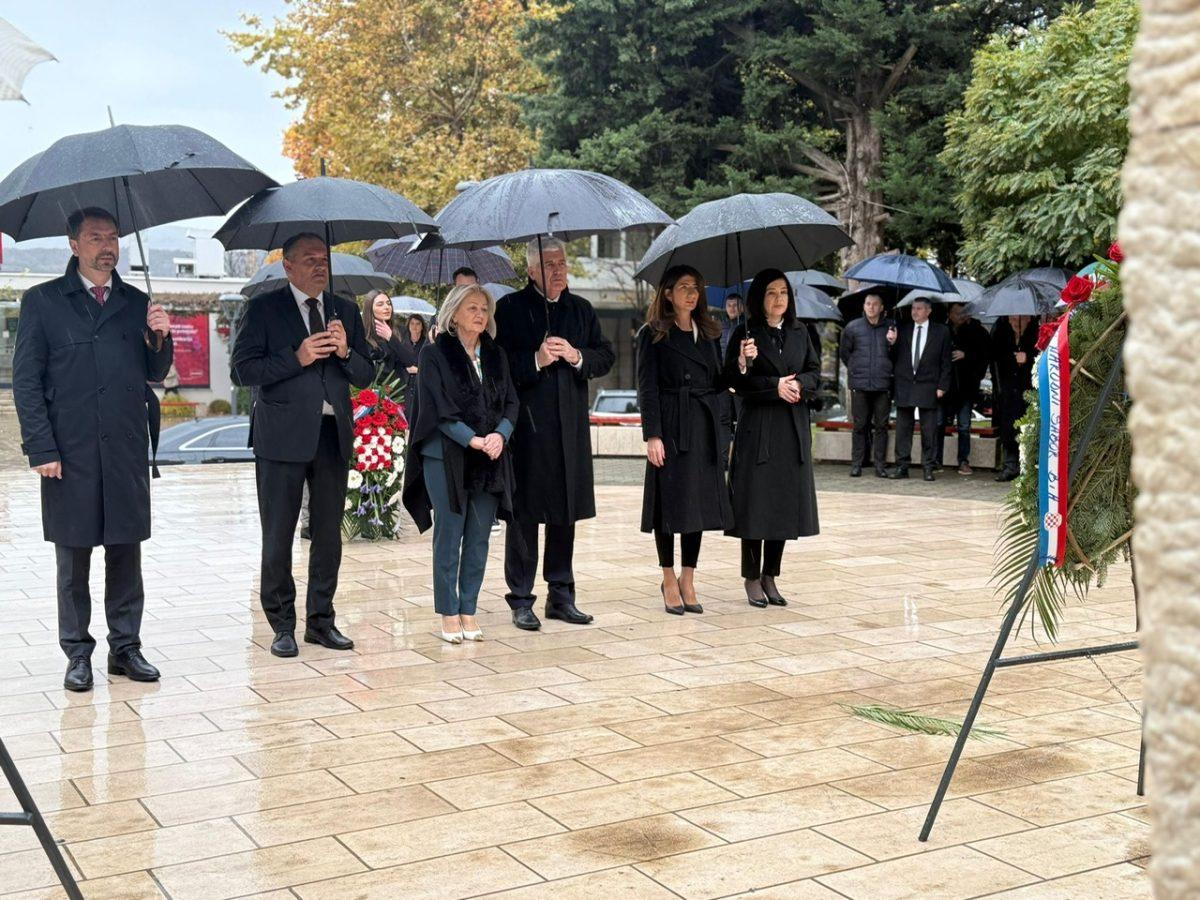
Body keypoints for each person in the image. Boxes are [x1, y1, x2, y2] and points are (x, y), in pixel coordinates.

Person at [12, 207, 173, 692]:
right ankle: (77, 653)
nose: (108, 246)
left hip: (125, 447)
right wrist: (41, 447)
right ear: (73, 244)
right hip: (71, 450)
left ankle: (126, 648)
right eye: (96, 237)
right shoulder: (42, 302)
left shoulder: (136, 301)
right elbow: (26, 381)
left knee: (126, 553)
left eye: (114, 237)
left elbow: (155, 372)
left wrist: (160, 338)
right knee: (74, 556)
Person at [230, 232, 373, 658]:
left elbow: (365, 375)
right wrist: (299, 356)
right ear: (287, 266)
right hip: (280, 438)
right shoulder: (263, 309)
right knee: (279, 535)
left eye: (323, 258)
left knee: (328, 535)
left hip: (332, 435)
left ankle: (321, 621)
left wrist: (346, 352)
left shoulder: (344, 310)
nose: (319, 265)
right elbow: (242, 370)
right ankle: (281, 625)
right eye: (309, 259)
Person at [494, 237, 615, 631]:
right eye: (549, 264)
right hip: (528, 430)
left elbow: (604, 356)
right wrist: (537, 359)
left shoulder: (580, 310)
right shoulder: (510, 309)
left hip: (571, 428)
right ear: (531, 270)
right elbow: (499, 367)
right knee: (525, 516)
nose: (559, 270)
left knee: (566, 512)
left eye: (562, 263)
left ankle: (561, 595)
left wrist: (577, 356)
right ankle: (521, 598)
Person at [403, 284, 518, 642]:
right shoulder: (434, 354)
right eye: (472, 308)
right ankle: (448, 613)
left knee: (480, 537)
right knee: (449, 535)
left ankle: (469, 609)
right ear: (454, 314)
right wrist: (473, 438)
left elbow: (512, 402)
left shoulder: (497, 354)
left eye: (485, 309)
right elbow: (435, 406)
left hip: (490, 456)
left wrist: (500, 434)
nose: (481, 314)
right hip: (447, 454)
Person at [636, 265, 733, 615]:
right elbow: (646, 389)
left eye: (696, 286)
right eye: (684, 287)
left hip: (703, 426)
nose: (691, 293)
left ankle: (688, 577)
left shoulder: (709, 332)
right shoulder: (653, 334)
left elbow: (720, 381)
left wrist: (742, 361)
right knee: (669, 505)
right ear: (667, 292)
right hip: (671, 427)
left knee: (697, 506)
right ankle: (667, 576)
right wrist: (653, 435)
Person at [723, 268, 820, 609]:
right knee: (755, 503)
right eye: (771, 293)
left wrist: (798, 385)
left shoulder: (800, 331)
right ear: (759, 299)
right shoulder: (744, 334)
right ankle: (751, 576)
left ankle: (771, 575)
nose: (779, 299)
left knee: (781, 502)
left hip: (791, 426)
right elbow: (732, 381)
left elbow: (813, 371)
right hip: (758, 428)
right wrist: (747, 365)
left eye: (783, 293)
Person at [888, 297, 952, 482]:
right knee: (903, 429)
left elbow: (946, 362)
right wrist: (891, 342)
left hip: (929, 385)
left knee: (929, 429)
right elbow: (892, 357)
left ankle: (928, 467)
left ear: (928, 311)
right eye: (913, 308)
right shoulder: (904, 329)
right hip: (905, 384)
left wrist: (942, 385)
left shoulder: (941, 332)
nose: (914, 312)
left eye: (919, 308)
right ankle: (902, 466)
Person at [838, 293, 894, 477]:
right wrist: (855, 370)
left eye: (875, 304)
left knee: (881, 426)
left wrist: (893, 343)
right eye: (868, 304)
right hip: (860, 384)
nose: (871, 307)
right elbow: (845, 354)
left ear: (881, 307)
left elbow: (897, 356)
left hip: (882, 384)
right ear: (864, 306)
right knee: (860, 425)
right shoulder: (853, 327)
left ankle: (880, 465)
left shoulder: (891, 328)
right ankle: (857, 464)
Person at [939, 302, 992, 476]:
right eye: (956, 313)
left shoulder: (978, 332)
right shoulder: (942, 330)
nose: (960, 316)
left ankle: (963, 461)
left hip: (966, 387)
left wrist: (966, 355)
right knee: (939, 424)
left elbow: (984, 357)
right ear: (949, 314)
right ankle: (935, 460)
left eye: (963, 313)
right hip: (945, 387)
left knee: (964, 425)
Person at [991, 313, 1038, 481]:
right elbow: (996, 358)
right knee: (1008, 429)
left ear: (1029, 319)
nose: (1015, 322)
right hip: (1008, 391)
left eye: (1020, 318)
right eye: (1011, 319)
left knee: (1026, 427)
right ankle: (1009, 466)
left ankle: (1027, 467)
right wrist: (1013, 359)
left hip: (1028, 390)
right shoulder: (1002, 334)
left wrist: (1028, 358)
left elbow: (1041, 358)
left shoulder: (1036, 335)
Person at [719, 292, 744, 358]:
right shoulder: (721, 325)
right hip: (723, 363)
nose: (732, 308)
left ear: (742, 307)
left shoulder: (746, 325)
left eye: (735, 305)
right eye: (729, 305)